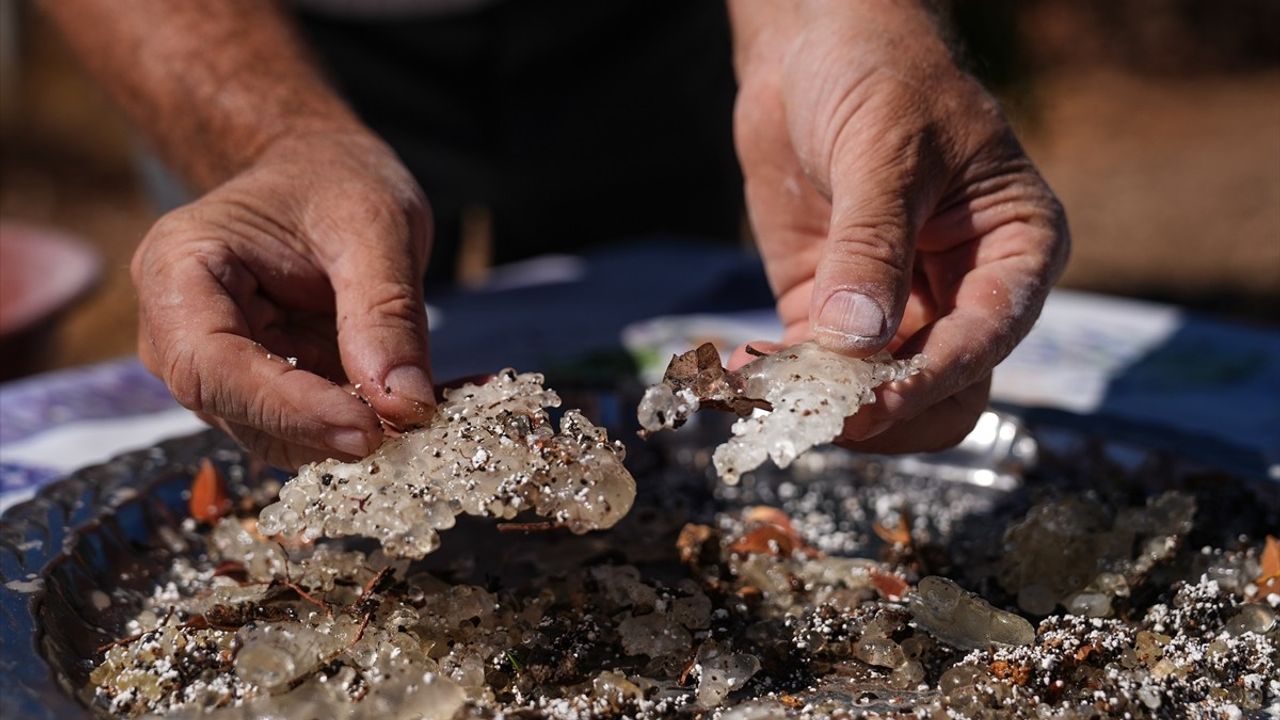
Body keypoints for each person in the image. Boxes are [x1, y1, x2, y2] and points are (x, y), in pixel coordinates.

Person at [45, 0, 1068, 469]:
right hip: (253, 33)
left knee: (656, 398)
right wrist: (270, 137)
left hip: (638, 29)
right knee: (309, 377)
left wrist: (831, 15)